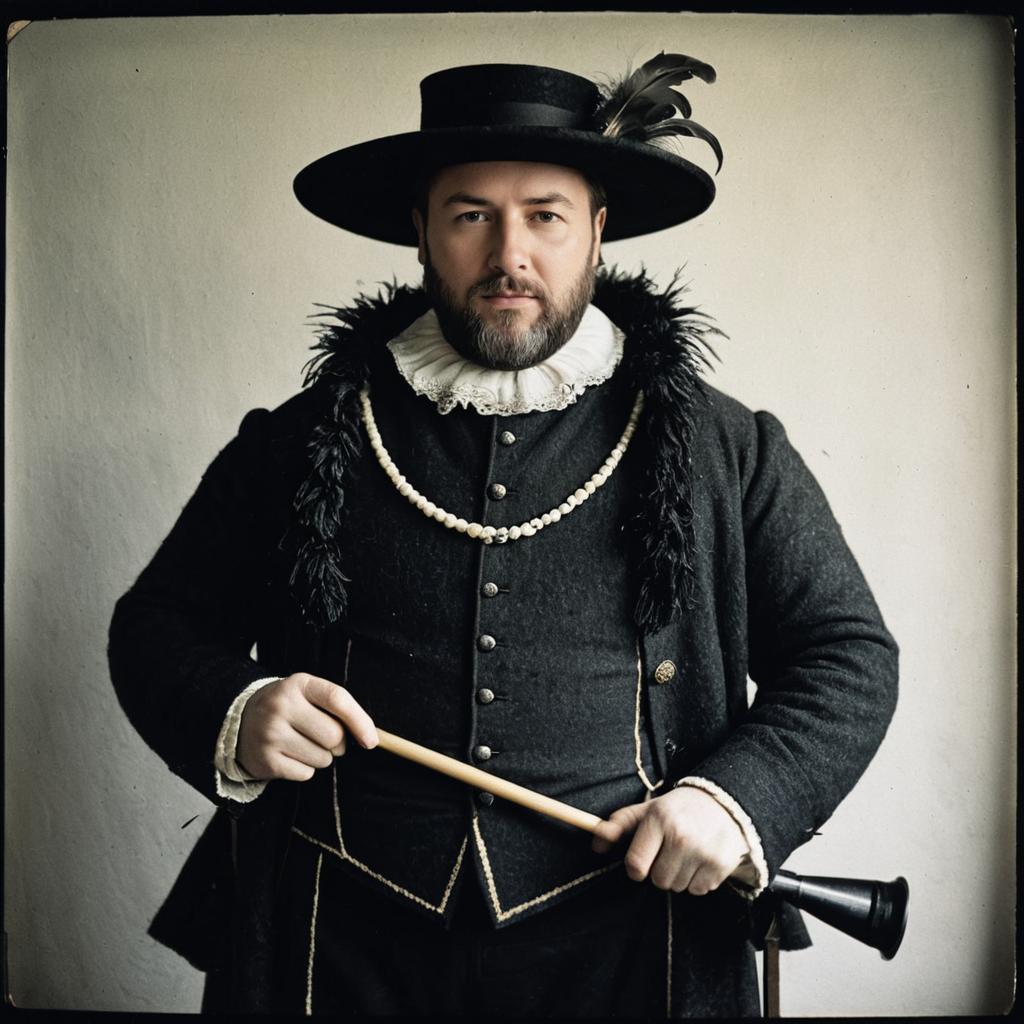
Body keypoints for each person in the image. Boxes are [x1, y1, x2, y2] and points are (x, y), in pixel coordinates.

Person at [108, 53, 898, 1017]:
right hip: (340, 936)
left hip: (633, 944)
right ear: (422, 231)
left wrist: (734, 802)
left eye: (546, 216)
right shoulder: (298, 439)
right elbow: (156, 626)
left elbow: (846, 655)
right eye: (472, 214)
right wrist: (241, 705)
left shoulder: (727, 448)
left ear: (599, 231)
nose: (508, 254)